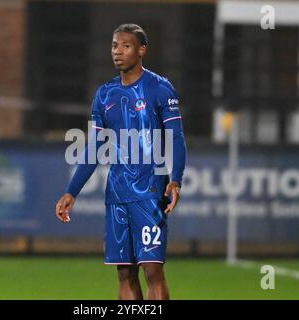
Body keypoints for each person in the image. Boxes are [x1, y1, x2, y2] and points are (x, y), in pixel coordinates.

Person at [55, 23, 187, 300]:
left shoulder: (160, 88)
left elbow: (176, 138)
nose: (118, 51)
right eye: (115, 45)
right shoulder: (104, 95)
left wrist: (175, 179)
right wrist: (72, 191)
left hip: (150, 193)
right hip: (116, 194)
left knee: (152, 269)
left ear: (141, 51)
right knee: (125, 272)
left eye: (125, 46)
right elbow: (93, 148)